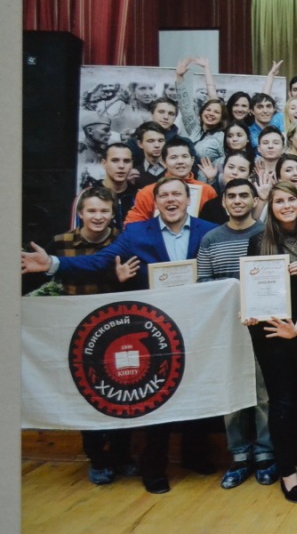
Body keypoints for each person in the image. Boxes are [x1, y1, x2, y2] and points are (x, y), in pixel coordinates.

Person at [22, 178, 219, 494]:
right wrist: (53, 264)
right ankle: (153, 469)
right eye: (164, 195)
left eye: (177, 194)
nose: (171, 200)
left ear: (188, 199)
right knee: (157, 397)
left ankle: (194, 456)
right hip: (153, 331)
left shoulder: (208, 231)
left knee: (198, 389)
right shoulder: (136, 233)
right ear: (155, 201)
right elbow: (99, 260)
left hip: (199, 326)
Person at [42, 187, 138, 486]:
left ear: (112, 214)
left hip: (116, 334)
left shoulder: (123, 241)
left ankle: (122, 456)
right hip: (76, 336)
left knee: (122, 395)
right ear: (81, 213)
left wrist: (122, 282)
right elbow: (41, 285)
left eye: (104, 211)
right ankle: (97, 459)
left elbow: (136, 290)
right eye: (92, 211)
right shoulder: (59, 244)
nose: (98, 216)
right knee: (86, 395)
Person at [195, 179, 277, 490]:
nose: (238, 200)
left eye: (245, 195)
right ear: (224, 202)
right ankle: (240, 455)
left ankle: (266, 454)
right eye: (232, 196)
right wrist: (234, 290)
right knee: (231, 393)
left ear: (256, 200)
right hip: (226, 328)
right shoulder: (210, 239)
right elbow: (203, 284)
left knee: (263, 393)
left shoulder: (267, 234)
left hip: (262, 327)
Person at [244, 181, 297, 503]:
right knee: (282, 402)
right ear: (270, 207)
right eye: (279, 201)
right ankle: (287, 471)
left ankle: (296, 467)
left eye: (292, 199)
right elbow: (251, 286)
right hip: (272, 332)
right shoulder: (258, 241)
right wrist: (250, 311)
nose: (286, 206)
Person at [125, 138, 217, 224]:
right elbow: (132, 225)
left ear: (192, 160)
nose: (180, 161)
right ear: (163, 162)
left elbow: (214, 226)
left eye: (185, 156)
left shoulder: (207, 191)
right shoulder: (148, 192)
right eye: (173, 157)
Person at [71, 143, 138, 230]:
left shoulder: (140, 196)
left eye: (126, 161)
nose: (121, 166)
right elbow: (76, 233)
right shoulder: (87, 195)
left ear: (132, 164)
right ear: (104, 163)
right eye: (115, 160)